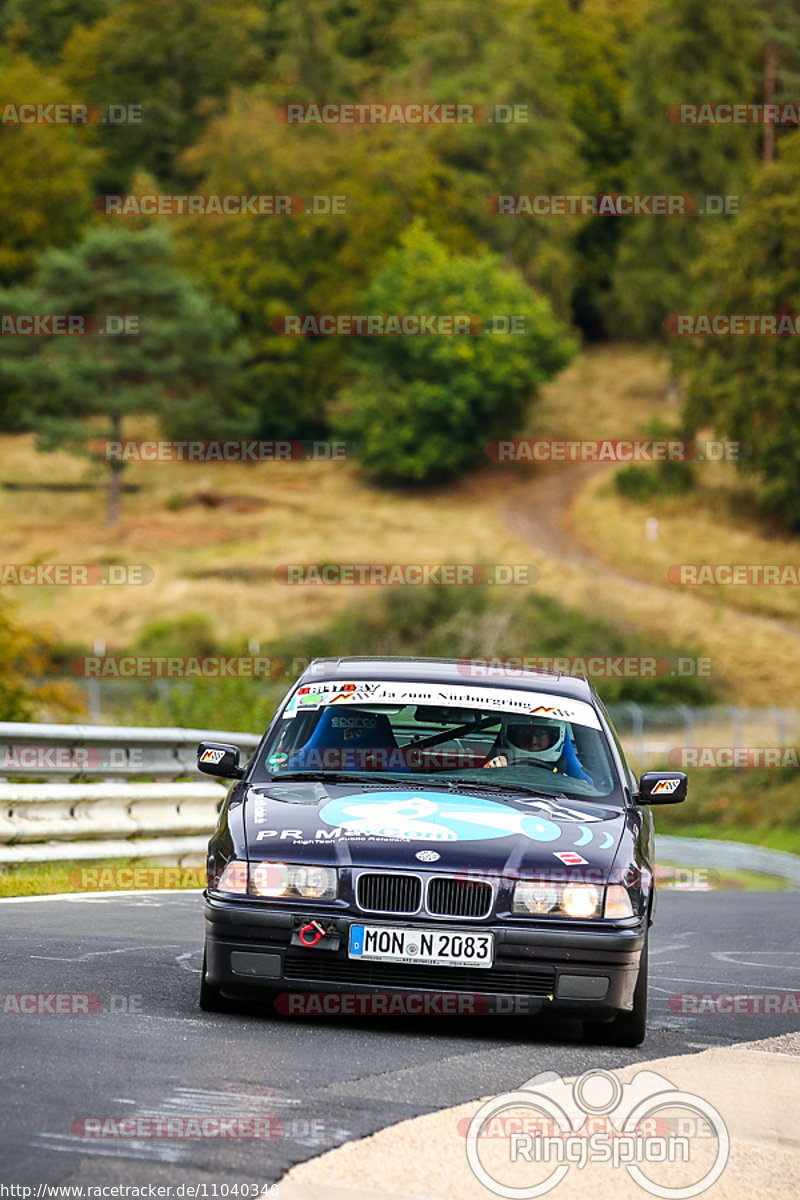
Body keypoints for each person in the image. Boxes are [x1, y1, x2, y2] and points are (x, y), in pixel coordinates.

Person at [484, 717, 593, 782]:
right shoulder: (497, 766)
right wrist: (493, 773)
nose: (532, 740)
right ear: (512, 734)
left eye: (540, 733)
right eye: (524, 732)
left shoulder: (571, 782)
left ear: (553, 736)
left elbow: (588, 787)